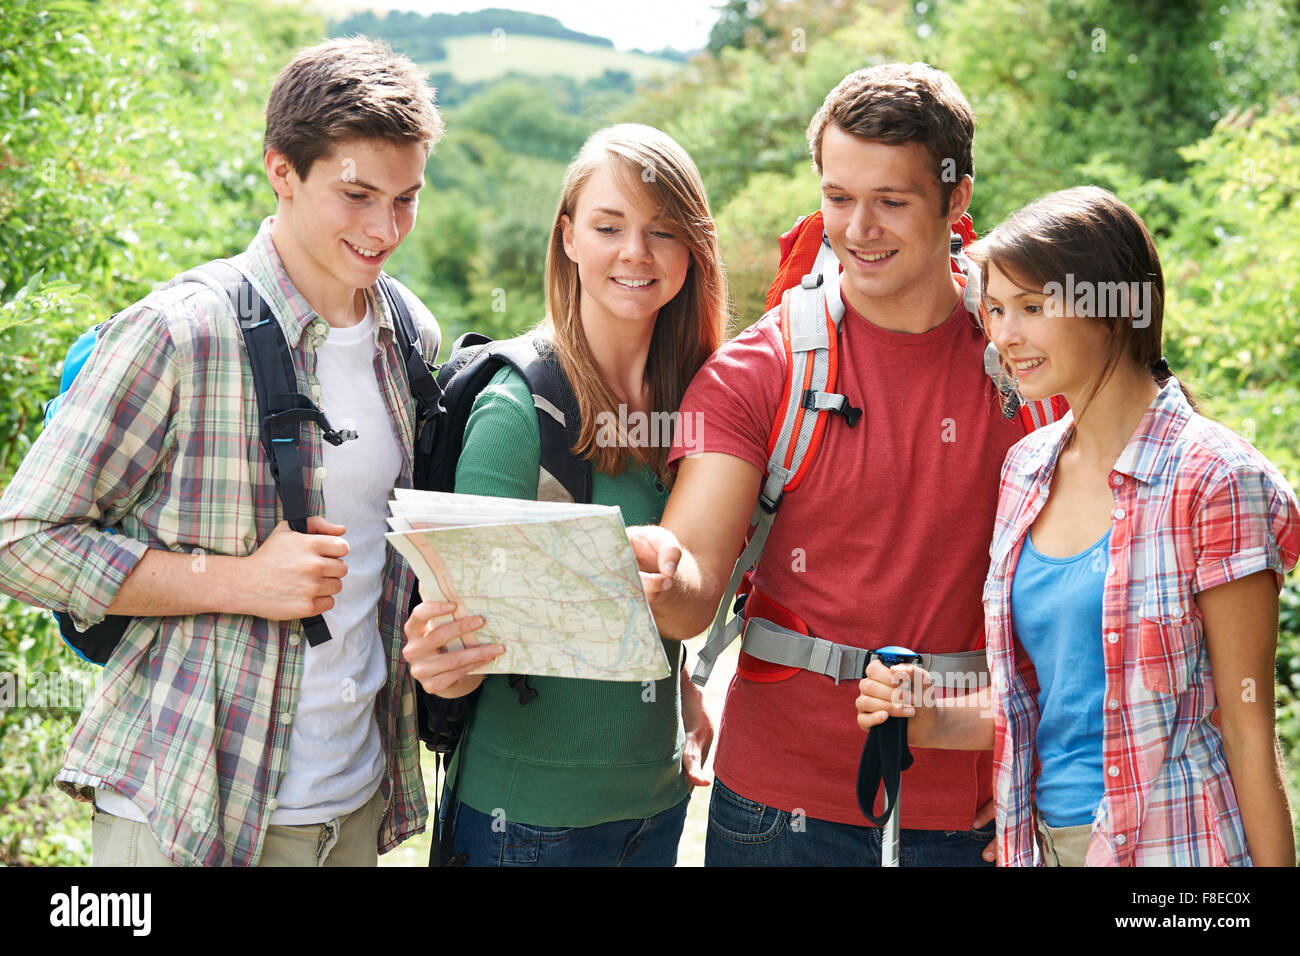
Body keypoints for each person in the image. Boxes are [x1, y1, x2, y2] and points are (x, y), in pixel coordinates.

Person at [0, 37, 445, 866]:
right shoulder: (179, 332)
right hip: (185, 810)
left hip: (353, 807)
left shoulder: (408, 332)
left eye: (407, 198)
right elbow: (22, 542)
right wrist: (240, 581)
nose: (385, 230)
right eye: (356, 194)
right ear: (282, 169)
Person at [627, 63, 1039, 866]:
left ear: (957, 201)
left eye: (892, 201)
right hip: (781, 809)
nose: (859, 229)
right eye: (838, 197)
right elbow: (690, 594)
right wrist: (659, 576)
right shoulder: (761, 370)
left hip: (980, 806)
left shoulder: (1028, 361)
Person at [857, 186, 1299, 866]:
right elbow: (1041, 703)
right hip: (1046, 847)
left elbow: (1246, 728)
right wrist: (926, 713)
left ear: (1113, 308)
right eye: (996, 310)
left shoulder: (1214, 478)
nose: (1005, 335)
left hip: (1180, 852)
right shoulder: (1026, 469)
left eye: (1033, 308)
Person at [401, 123, 727, 866]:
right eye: (609, 226)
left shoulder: (698, 402)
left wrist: (681, 691)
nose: (635, 253)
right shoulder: (519, 409)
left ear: (692, 250)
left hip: (658, 805)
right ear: (569, 237)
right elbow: (457, 621)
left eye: (662, 231)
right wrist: (439, 650)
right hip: (530, 820)